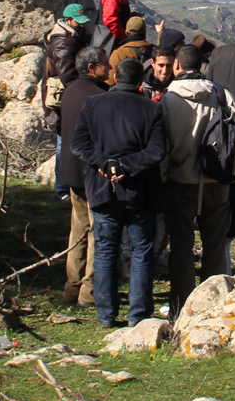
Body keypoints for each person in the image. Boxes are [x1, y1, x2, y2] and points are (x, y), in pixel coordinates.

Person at [70, 57, 167, 326]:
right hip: (141, 190)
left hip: (102, 189)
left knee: (105, 250)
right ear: (140, 82)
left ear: (115, 79)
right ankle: (138, 315)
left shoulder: (93, 104)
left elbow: (78, 144)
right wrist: (127, 165)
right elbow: (157, 151)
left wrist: (106, 163)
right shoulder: (152, 109)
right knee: (141, 251)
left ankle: (106, 314)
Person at [159, 45, 234, 313]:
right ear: (203, 66)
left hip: (180, 181)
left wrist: (164, 177)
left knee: (181, 246)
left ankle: (181, 306)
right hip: (216, 182)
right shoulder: (221, 93)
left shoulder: (169, 100)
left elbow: (162, 145)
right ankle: (212, 305)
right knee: (214, 245)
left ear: (177, 66)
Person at [57, 45, 109, 307]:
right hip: (93, 173)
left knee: (77, 230)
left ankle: (71, 286)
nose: (109, 67)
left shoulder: (70, 91)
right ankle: (89, 291)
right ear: (91, 68)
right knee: (97, 232)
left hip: (71, 172)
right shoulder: (99, 95)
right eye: (104, 63)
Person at [41, 3, 92, 199]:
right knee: (64, 141)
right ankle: (62, 188)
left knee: (65, 140)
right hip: (63, 101)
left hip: (63, 99)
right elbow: (68, 74)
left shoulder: (67, 37)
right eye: (78, 23)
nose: (81, 26)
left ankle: (64, 186)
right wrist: (80, 94)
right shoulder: (64, 42)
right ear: (68, 20)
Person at [108, 16, 153, 82]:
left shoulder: (119, 53)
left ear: (126, 32)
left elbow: (110, 80)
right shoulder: (154, 51)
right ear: (145, 33)